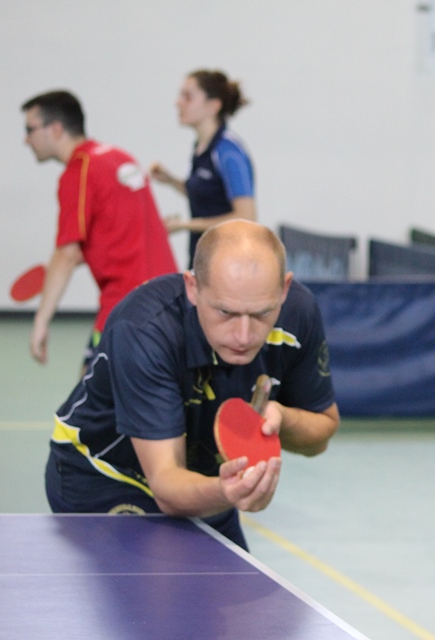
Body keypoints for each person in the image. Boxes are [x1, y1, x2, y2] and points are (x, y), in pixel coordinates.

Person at [45, 220, 340, 549]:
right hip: (103, 475)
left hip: (202, 483)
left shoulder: (299, 313)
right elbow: (168, 485)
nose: (244, 336)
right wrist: (226, 492)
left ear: (284, 289)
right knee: (150, 593)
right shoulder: (145, 330)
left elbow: (322, 431)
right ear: (192, 287)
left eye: (261, 314)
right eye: (225, 312)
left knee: (233, 595)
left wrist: (283, 419)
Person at [21, 90, 177, 368]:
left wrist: (40, 322)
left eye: (30, 129)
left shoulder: (77, 172)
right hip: (171, 299)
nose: (26, 140)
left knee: (90, 404)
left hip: (127, 307)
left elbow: (66, 253)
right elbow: (116, 235)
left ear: (55, 129)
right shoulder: (119, 157)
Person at [150, 69, 255, 266]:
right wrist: (171, 181)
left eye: (188, 97)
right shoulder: (201, 148)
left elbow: (246, 216)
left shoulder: (228, 152)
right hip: (203, 261)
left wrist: (183, 225)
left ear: (212, 106)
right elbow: (210, 198)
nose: (178, 102)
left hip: (229, 265)